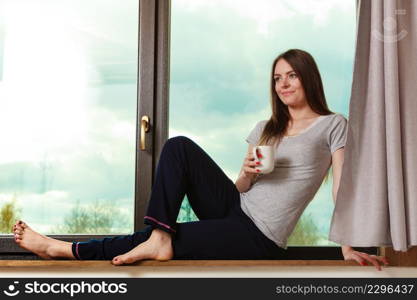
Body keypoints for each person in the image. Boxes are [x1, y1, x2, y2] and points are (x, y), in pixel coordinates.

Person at [12, 49, 388, 270]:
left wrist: (347, 244)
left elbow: (344, 189)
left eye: (292, 76)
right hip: (235, 208)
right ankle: (159, 236)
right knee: (178, 146)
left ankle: (63, 248)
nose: (284, 84)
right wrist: (244, 173)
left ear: (308, 78)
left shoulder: (333, 125)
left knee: (152, 238)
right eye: (277, 78)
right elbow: (242, 188)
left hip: (260, 235)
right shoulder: (265, 128)